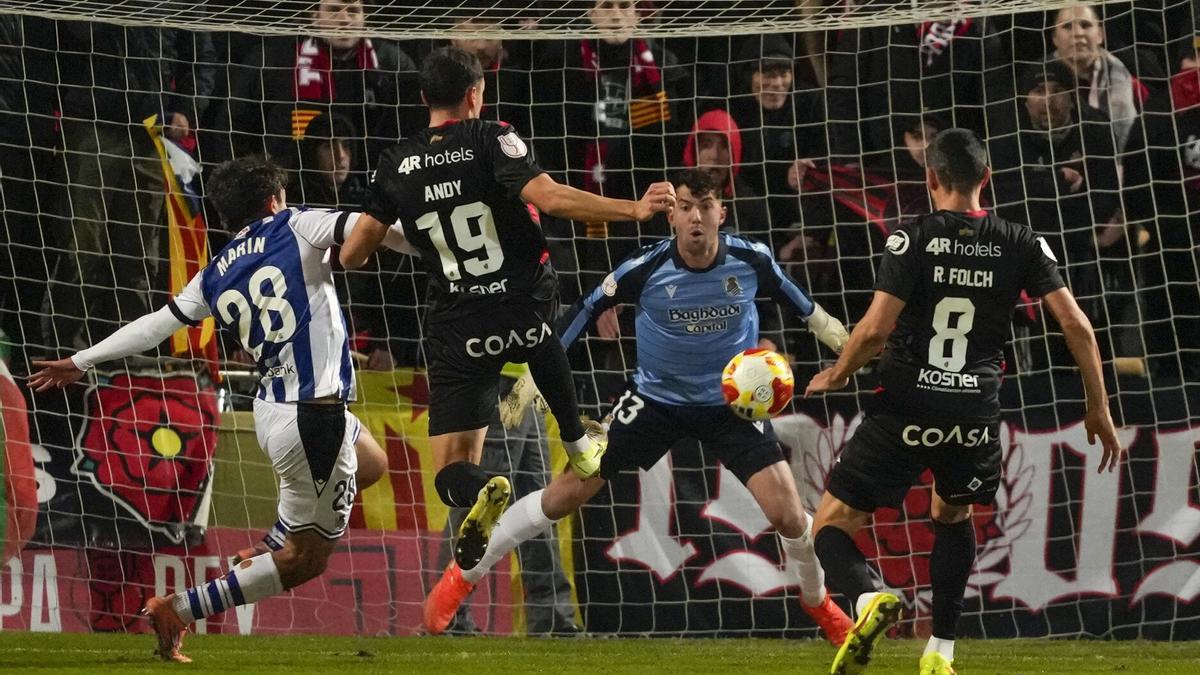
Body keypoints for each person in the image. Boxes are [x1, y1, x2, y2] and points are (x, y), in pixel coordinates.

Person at [422, 169, 854, 643]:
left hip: (729, 405)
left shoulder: (752, 260)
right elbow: (583, 311)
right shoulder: (643, 267)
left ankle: (821, 604)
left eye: (705, 206)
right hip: (653, 400)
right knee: (566, 492)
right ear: (672, 214)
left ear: (721, 212)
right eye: (686, 206)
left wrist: (847, 347)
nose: (695, 217)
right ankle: (462, 577)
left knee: (790, 516)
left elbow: (808, 310)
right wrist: (529, 377)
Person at [27, 156, 400, 662]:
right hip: (313, 414)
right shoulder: (297, 224)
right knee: (306, 560)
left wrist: (80, 359)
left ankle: (271, 541)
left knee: (372, 465)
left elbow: (155, 325)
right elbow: (376, 229)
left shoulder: (214, 272)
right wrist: (437, 245)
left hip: (273, 408)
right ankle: (180, 608)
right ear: (274, 200)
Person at [340, 47, 676, 573]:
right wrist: (633, 209)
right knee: (538, 336)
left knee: (451, 471)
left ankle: (484, 490)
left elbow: (353, 254)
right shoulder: (491, 136)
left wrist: (404, 233)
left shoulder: (394, 163)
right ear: (476, 94)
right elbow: (552, 197)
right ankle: (576, 437)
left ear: (425, 97)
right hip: (521, 307)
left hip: (458, 325)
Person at [803, 129, 1124, 675]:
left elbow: (876, 330)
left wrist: (837, 374)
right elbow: (1077, 325)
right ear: (987, 179)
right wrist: (1098, 406)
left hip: (907, 405)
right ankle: (941, 654)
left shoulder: (913, 238)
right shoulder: (1022, 240)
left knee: (828, 528)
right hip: (974, 410)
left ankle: (866, 597)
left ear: (931, 178)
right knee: (952, 514)